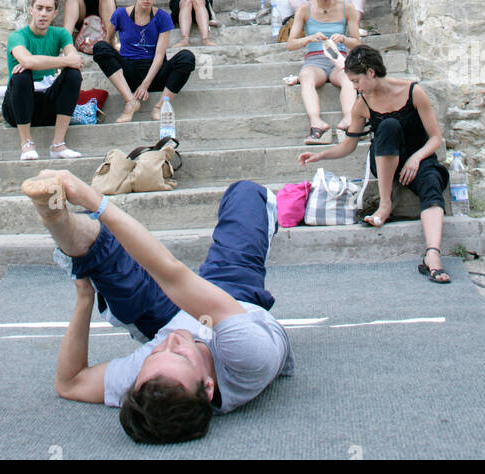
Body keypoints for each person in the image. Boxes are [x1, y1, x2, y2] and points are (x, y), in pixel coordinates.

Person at [20, 168, 293, 443]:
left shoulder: (150, 380)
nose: (170, 342)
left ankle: (54, 214)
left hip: (167, 316)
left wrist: (84, 298)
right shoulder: (249, 356)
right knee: (246, 194)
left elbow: (69, 383)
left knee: (111, 269)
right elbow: (171, 275)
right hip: (235, 299)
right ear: (209, 388)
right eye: (180, 355)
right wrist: (94, 200)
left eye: (155, 353)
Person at [299, 44, 452, 283]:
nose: (355, 87)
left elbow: (435, 138)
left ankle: (433, 256)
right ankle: (385, 203)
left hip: (419, 158)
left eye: (357, 81)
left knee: (431, 183)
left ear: (371, 72)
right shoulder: (362, 104)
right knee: (389, 126)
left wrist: (417, 157)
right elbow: (348, 146)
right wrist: (320, 156)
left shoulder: (413, 92)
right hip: (385, 159)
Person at [93, 0, 196, 122]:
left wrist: (145, 85)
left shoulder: (163, 17)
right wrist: (116, 47)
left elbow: (159, 56)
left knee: (187, 57)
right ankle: (130, 102)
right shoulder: (120, 14)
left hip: (156, 73)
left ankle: (159, 107)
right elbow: (108, 40)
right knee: (100, 47)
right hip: (130, 72)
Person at [4, 0, 83, 162]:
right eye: (39, 8)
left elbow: (75, 60)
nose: (43, 14)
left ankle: (58, 144)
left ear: (55, 13)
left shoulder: (60, 34)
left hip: (47, 105)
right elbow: (28, 61)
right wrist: (63, 61)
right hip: (18, 107)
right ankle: (26, 143)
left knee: (73, 74)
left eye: (48, 10)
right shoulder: (17, 37)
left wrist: (66, 62)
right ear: (31, 10)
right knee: (22, 74)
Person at [286, 0, 360, 145]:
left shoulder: (347, 8)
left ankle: (349, 120)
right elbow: (290, 44)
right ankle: (316, 123)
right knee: (306, 76)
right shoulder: (304, 10)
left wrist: (343, 38)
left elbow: (357, 42)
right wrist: (309, 38)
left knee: (348, 78)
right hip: (315, 60)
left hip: (339, 58)